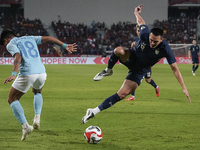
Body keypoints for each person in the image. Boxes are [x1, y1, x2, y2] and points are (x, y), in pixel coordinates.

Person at [82, 4, 191, 124]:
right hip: (132, 57)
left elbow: (174, 68)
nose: (152, 43)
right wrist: (136, 13)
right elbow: (140, 22)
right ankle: (108, 70)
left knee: (122, 94)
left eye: (155, 42)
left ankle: (93, 111)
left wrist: (184, 88)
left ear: (161, 40)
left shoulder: (165, 48)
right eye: (150, 40)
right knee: (118, 50)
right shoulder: (145, 34)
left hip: (140, 70)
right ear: (149, 36)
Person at [1, 30, 77, 141]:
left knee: (12, 99)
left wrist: (13, 74)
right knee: (37, 91)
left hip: (27, 73)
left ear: (6, 40)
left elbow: (18, 56)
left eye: (4, 43)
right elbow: (50, 38)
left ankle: (26, 127)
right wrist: (65, 45)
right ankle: (37, 118)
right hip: (41, 73)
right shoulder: (29, 38)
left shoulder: (11, 43)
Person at [126, 25, 160, 101]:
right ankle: (132, 96)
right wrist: (132, 47)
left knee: (148, 80)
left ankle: (156, 87)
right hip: (138, 63)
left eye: (139, 31)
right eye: (137, 31)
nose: (139, 32)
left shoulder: (148, 38)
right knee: (133, 77)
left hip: (146, 65)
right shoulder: (136, 39)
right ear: (136, 31)